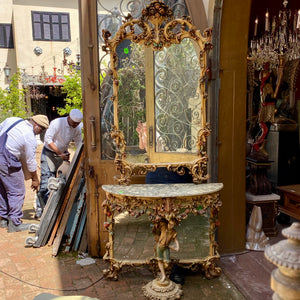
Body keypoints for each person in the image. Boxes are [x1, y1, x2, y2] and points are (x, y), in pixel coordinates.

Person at [0, 115, 49, 232]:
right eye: (41, 129)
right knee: (17, 191)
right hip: (7, 160)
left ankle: (4, 219)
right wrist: (35, 179)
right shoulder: (29, 137)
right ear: (36, 125)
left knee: (2, 188)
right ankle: (15, 223)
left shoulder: (13, 120)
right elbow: (31, 162)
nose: (40, 132)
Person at [35, 109, 83, 219]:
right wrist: (59, 153)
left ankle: (53, 208)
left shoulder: (77, 128)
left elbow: (79, 143)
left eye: (78, 123)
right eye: (74, 123)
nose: (76, 125)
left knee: (60, 181)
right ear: (69, 118)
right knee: (46, 181)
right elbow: (47, 139)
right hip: (49, 153)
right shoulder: (57, 123)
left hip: (62, 154)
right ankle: (40, 208)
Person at [153, 218, 179, 282]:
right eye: (170, 224)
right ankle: (163, 275)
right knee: (159, 260)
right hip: (159, 246)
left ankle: (162, 272)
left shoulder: (173, 232)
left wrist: (177, 247)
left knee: (167, 263)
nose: (170, 226)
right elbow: (157, 223)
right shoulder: (163, 227)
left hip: (166, 248)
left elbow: (175, 240)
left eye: (172, 225)